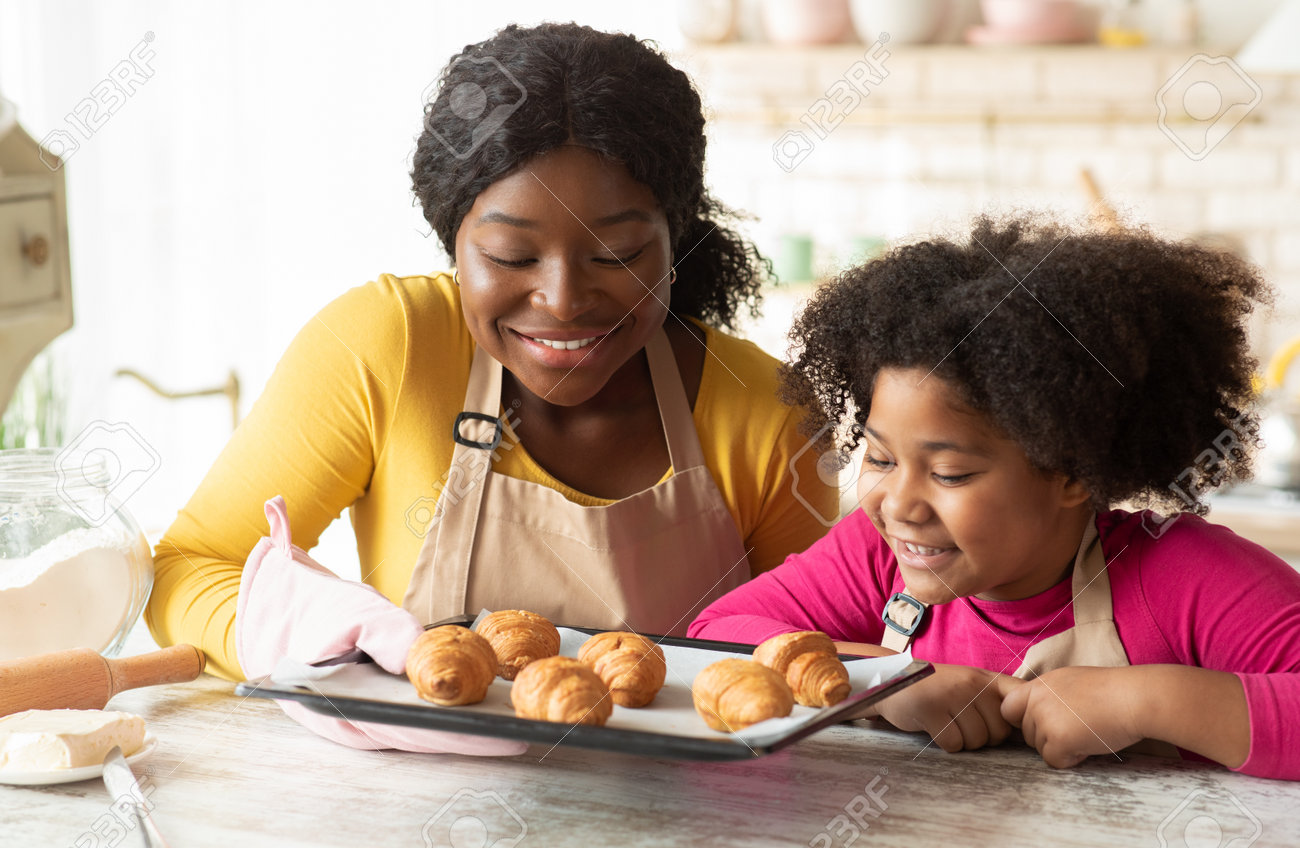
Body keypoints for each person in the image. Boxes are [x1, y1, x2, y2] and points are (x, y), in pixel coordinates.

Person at [145, 22, 835, 693]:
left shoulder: (766, 409)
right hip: (412, 801)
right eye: (511, 256)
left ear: (673, 240)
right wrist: (328, 644)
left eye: (617, 255)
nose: (563, 300)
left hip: (692, 810)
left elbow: (817, 649)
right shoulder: (392, 346)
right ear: (454, 244)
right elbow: (191, 566)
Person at [689, 215, 1300, 781]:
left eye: (950, 473)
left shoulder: (1179, 575)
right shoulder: (878, 559)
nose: (900, 503)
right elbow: (714, 635)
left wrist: (1150, 700)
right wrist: (882, 680)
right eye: (880, 458)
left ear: (1071, 472)